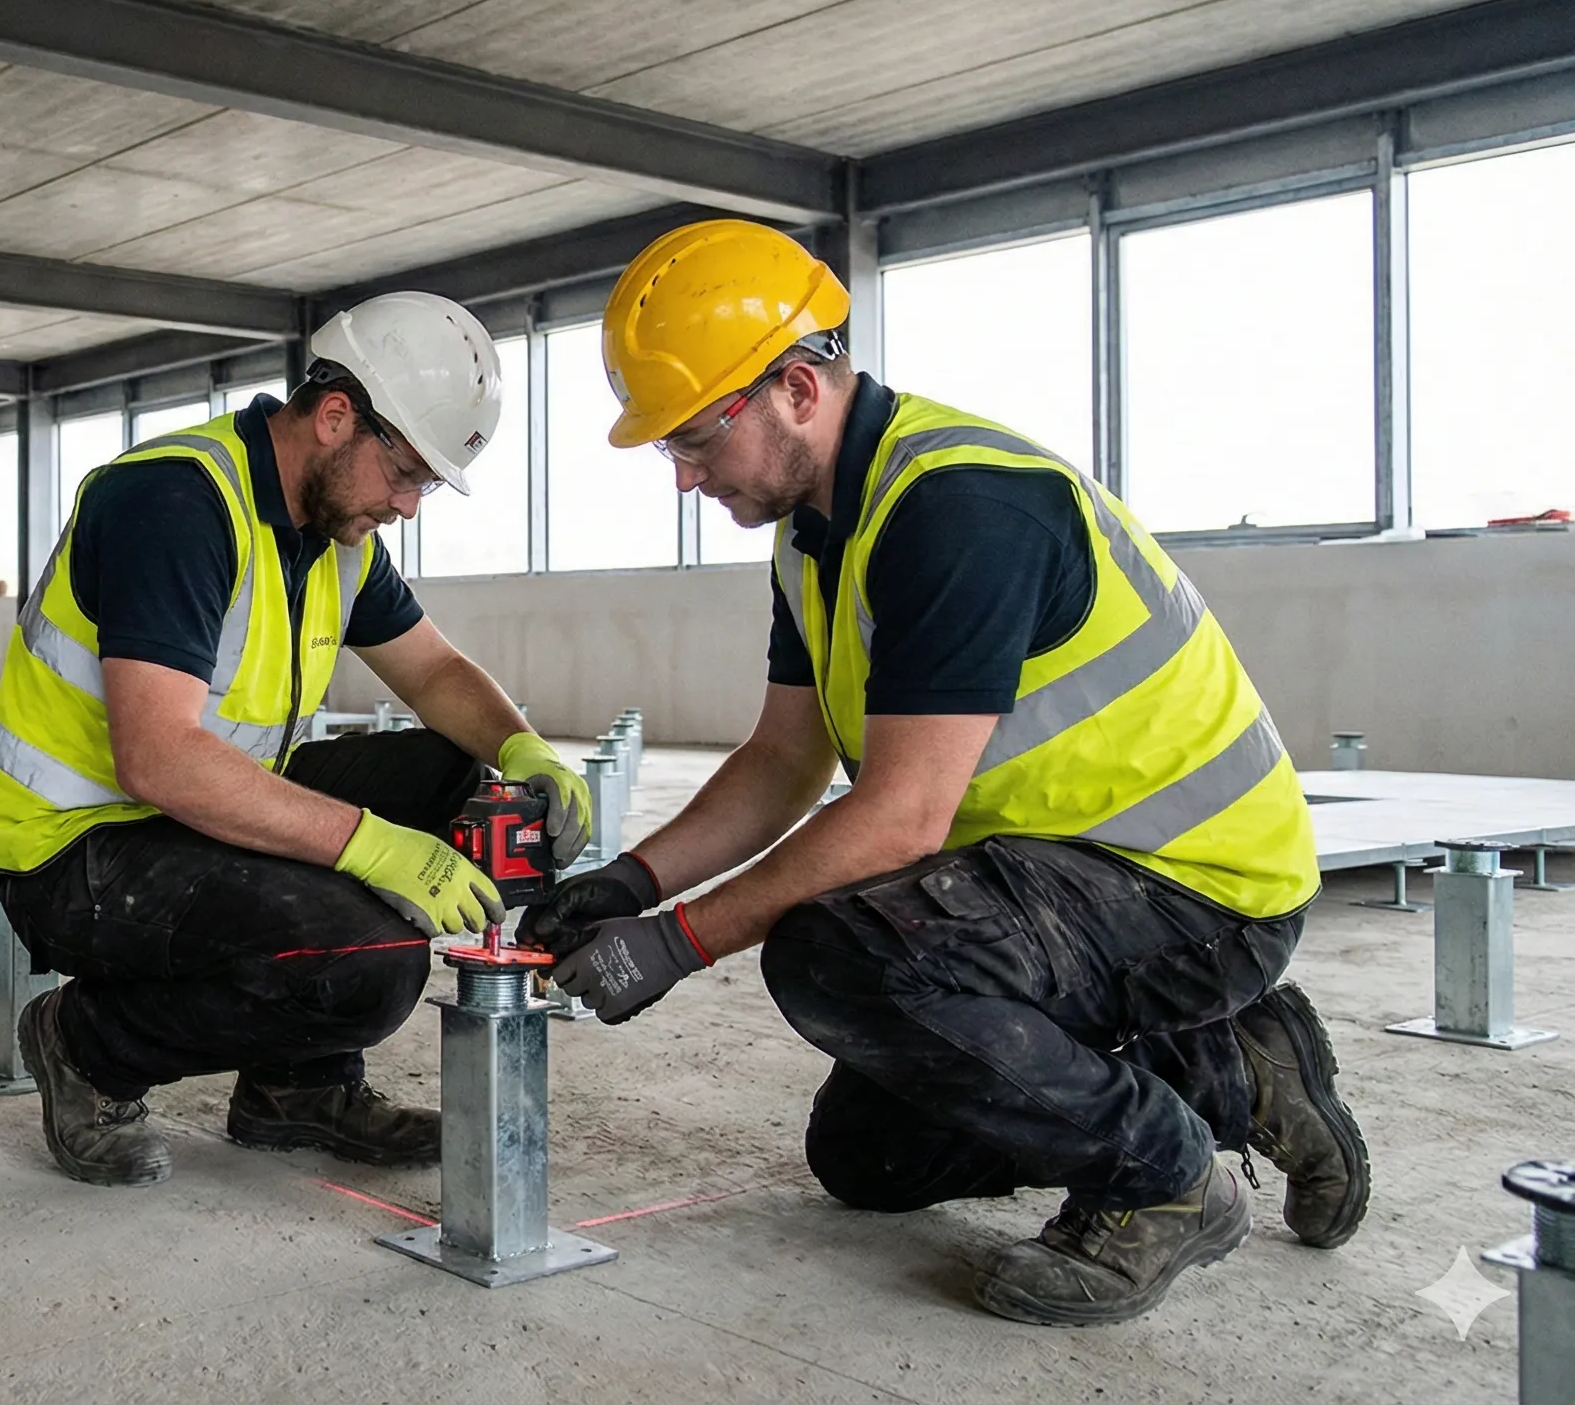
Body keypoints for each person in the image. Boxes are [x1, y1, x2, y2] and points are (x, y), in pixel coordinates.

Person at [524, 220, 1368, 1326]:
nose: (683, 477)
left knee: (835, 955)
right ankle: (1231, 1070)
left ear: (794, 390)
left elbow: (899, 819)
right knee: (872, 1158)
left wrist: (676, 942)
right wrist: (629, 882)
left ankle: (1162, 1182)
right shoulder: (814, 533)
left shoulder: (958, 506)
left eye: (692, 440)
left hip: (1192, 887)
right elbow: (782, 760)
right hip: (1050, 878)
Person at [0, 292, 595, 1188]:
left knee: (450, 770)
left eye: (425, 485)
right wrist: (374, 847)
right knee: (371, 962)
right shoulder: (174, 502)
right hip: (74, 847)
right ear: (336, 417)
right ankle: (86, 1046)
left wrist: (527, 751)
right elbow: (158, 758)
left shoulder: (334, 535)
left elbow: (433, 672)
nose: (408, 506)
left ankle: (296, 1088)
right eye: (407, 473)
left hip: (190, 810)